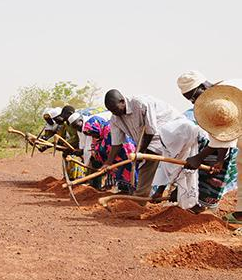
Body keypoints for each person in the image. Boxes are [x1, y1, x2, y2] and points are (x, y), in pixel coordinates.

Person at [180, 72, 242, 223]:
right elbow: (222, 134)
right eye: (190, 100)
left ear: (203, 86)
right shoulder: (215, 101)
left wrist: (198, 158)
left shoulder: (225, 95)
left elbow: (223, 134)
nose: (194, 102)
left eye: (194, 96)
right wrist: (219, 160)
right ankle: (241, 214)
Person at [102, 89, 183, 197]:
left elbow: (151, 131)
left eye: (115, 109)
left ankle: (141, 197)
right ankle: (145, 195)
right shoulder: (115, 119)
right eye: (110, 111)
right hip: (151, 141)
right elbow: (116, 143)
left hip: (172, 132)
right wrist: (108, 163)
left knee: (150, 161)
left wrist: (140, 152)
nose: (114, 113)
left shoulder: (141, 103)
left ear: (122, 101)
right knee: (145, 165)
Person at [82, 116, 137, 192]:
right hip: (116, 160)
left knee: (130, 175)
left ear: (98, 126)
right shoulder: (101, 134)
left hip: (126, 156)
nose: (93, 136)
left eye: (93, 133)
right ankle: (125, 192)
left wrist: (108, 162)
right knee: (122, 178)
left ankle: (134, 193)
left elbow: (117, 146)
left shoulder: (109, 130)